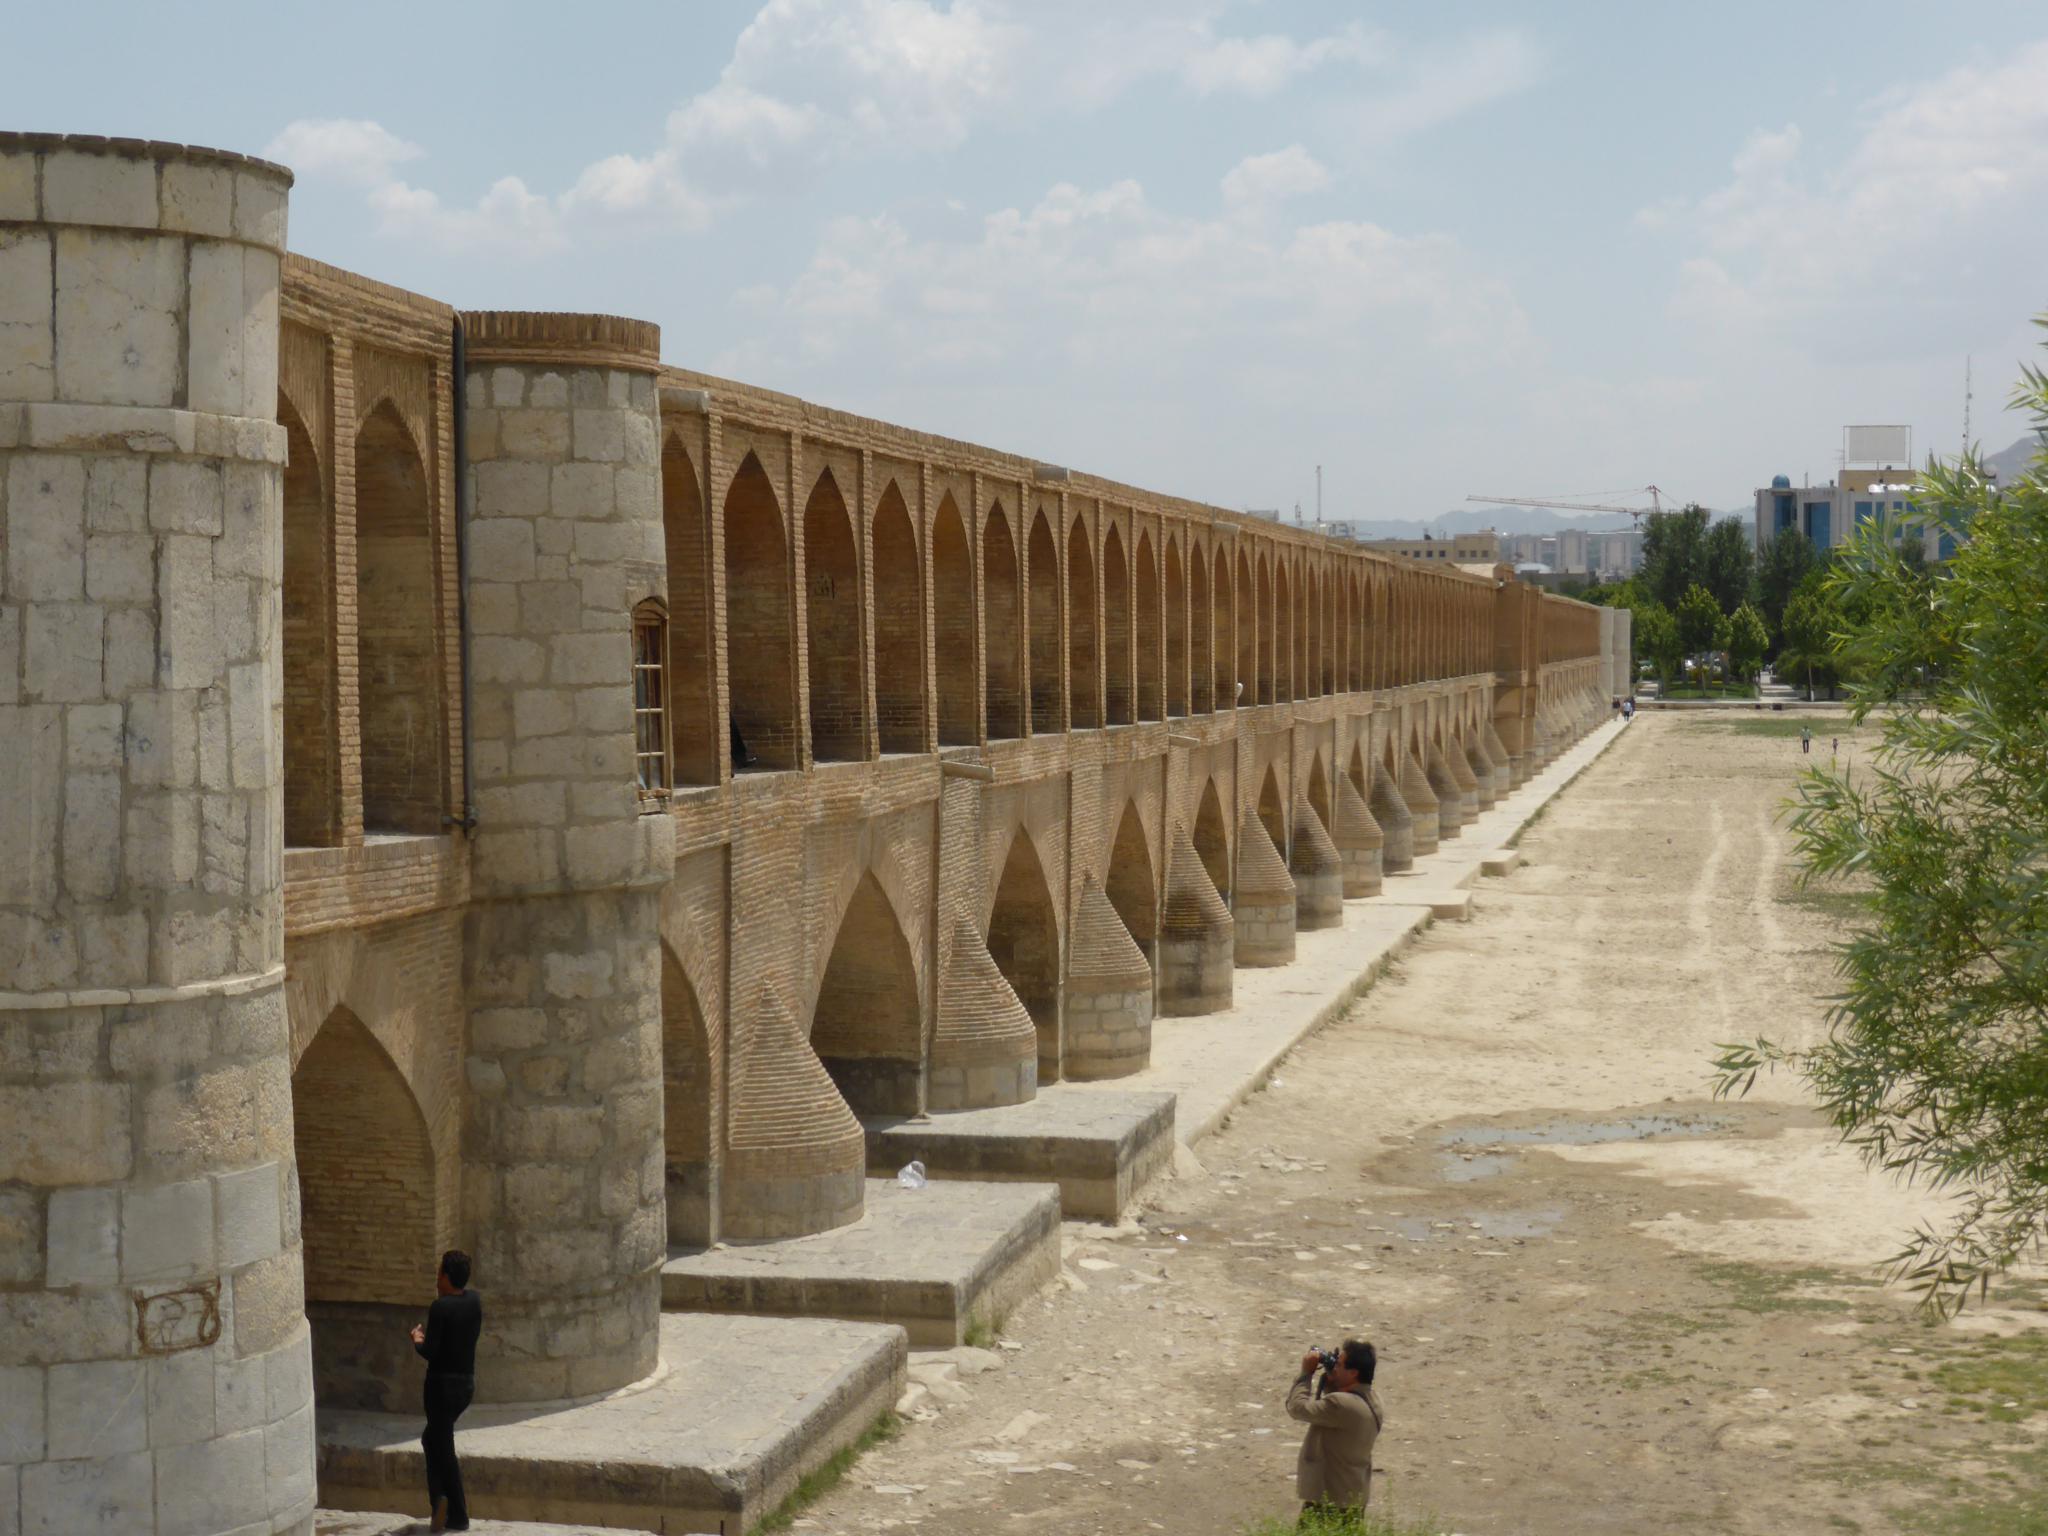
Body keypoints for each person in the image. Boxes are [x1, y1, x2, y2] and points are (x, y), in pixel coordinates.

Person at [409, 1250, 482, 1532]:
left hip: (441, 1387)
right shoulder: (474, 1301)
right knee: (433, 1440)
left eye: (440, 1273)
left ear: (448, 1277)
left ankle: (454, 1511)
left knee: (442, 1446)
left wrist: (417, 1340)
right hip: (465, 1386)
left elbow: (430, 1351)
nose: (437, 1278)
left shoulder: (440, 1308)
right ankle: (441, 1503)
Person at [1286, 1339, 1385, 1524]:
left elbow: (1297, 1408)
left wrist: (1306, 1373)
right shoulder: (1374, 1400)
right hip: (1354, 1497)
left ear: (1353, 1372)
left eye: (1339, 1365)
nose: (1335, 1367)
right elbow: (1339, 1410)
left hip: (1330, 1499)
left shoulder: (1340, 1405)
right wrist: (1333, 1379)